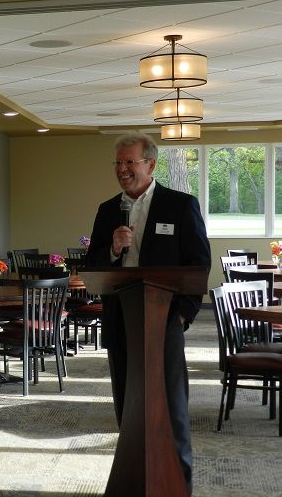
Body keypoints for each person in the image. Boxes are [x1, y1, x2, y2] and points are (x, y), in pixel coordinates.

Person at [85, 132, 210, 495]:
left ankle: (178, 486)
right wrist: (113, 249)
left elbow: (198, 265)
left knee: (171, 411)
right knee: (128, 409)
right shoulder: (108, 210)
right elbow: (92, 267)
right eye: (118, 163)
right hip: (121, 321)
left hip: (164, 322)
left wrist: (182, 316)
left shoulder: (180, 205)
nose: (122, 169)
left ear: (151, 164)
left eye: (130, 162)